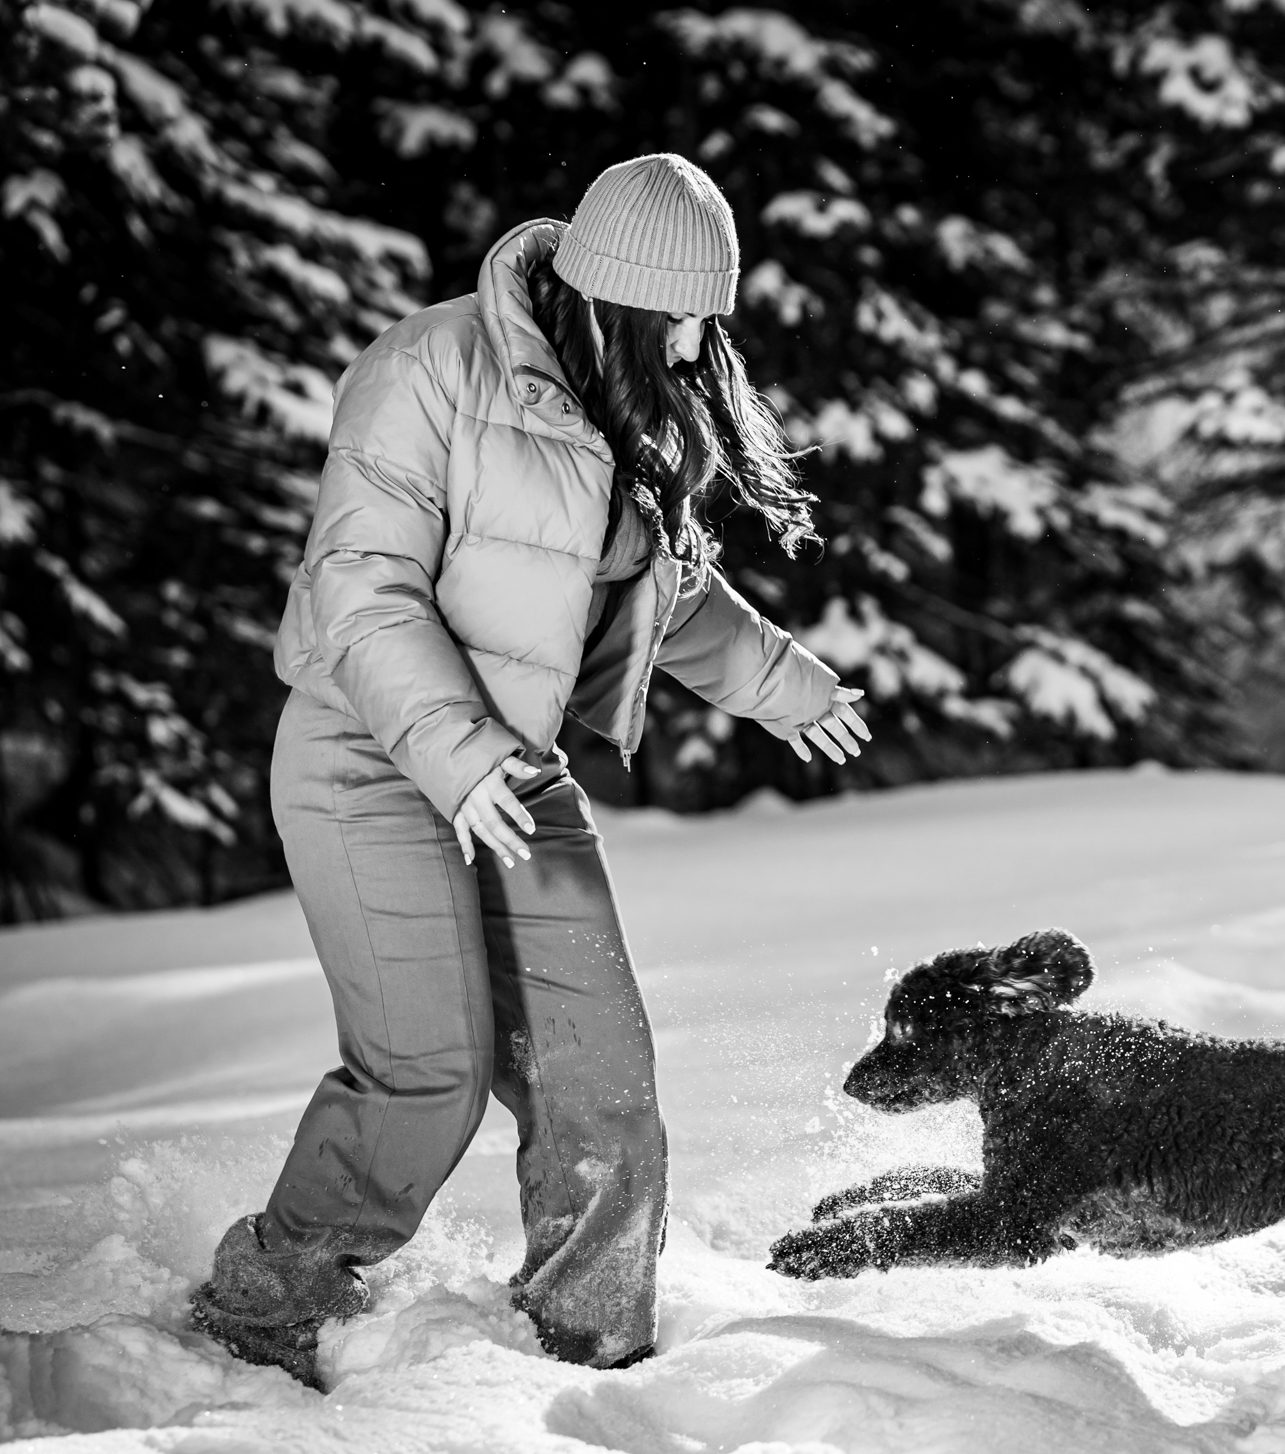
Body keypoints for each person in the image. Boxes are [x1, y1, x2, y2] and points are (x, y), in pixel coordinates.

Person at [190, 154, 872, 1385]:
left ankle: (592, 1345)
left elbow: (658, 586)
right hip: (367, 757)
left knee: (599, 1074)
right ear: (615, 293)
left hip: (513, 770)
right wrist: (454, 757)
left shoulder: (628, 393)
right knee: (428, 1073)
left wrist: (787, 687)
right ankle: (259, 1313)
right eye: (685, 311)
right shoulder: (427, 370)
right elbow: (364, 582)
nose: (700, 339)